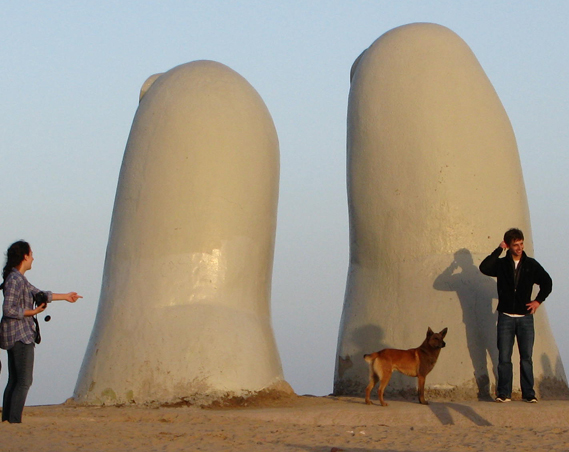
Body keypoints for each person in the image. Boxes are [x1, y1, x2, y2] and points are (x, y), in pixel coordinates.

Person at [0, 240, 82, 423]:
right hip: (19, 335)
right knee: (23, 381)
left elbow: (40, 294)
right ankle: (13, 421)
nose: (33, 258)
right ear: (24, 256)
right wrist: (33, 312)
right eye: (31, 254)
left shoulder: (19, 278)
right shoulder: (15, 280)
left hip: (16, 334)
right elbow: (8, 309)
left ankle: (8, 420)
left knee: (15, 380)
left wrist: (66, 297)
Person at [479, 228, 552, 403]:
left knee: (526, 357)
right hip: (505, 316)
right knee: (504, 357)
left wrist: (537, 301)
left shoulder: (531, 265)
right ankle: (504, 393)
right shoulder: (502, 265)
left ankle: (528, 393)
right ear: (509, 246)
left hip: (525, 317)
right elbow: (484, 267)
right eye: (515, 245)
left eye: (521, 244)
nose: (519, 247)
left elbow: (547, 282)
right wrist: (499, 249)